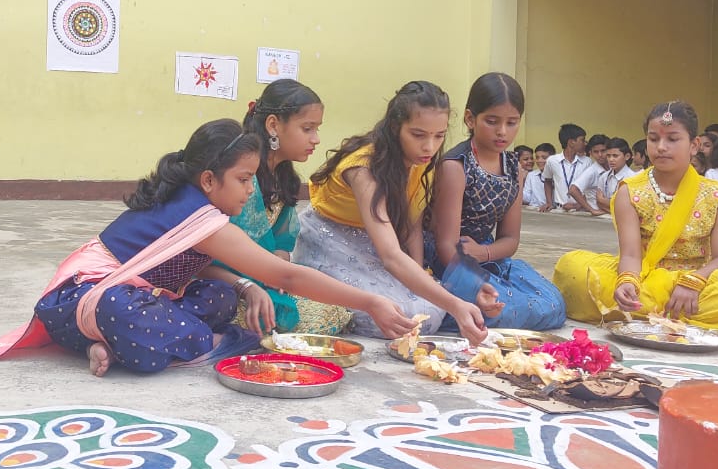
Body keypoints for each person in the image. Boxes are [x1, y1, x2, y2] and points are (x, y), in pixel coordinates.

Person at [0, 119, 414, 376]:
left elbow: (184, 268)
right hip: (78, 303)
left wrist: (246, 286)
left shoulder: (197, 205)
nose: (249, 191)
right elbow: (286, 275)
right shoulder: (201, 217)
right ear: (209, 180)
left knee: (222, 294)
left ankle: (109, 346)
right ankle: (203, 342)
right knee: (129, 315)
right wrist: (370, 301)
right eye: (243, 180)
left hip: (130, 300)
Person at [553, 101, 718, 342]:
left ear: (694, 145)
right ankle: (662, 308)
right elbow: (631, 255)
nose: (661, 147)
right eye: (653, 139)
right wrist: (627, 282)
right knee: (571, 267)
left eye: (673, 139)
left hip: (701, 280)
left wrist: (694, 281)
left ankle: (653, 310)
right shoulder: (630, 191)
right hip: (645, 277)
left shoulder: (716, 195)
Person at [292, 81, 493, 345]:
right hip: (329, 241)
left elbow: (411, 226)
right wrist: (455, 304)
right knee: (405, 315)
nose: (429, 147)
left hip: (374, 241)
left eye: (439, 136)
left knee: (427, 310)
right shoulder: (363, 168)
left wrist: (419, 276)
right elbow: (390, 255)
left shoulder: (421, 162)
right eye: (418, 135)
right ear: (396, 127)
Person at [200, 80, 352, 335]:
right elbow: (202, 260)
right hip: (220, 284)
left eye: (317, 129)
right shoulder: (238, 178)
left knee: (332, 310)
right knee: (261, 317)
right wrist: (248, 285)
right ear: (273, 125)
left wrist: (276, 270)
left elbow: (281, 244)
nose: (316, 139)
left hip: (263, 280)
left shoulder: (283, 178)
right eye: (307, 129)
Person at [424, 73, 566, 330]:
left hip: (487, 257)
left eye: (512, 123)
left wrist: (484, 253)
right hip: (449, 264)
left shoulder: (514, 169)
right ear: (470, 118)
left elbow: (510, 239)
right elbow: (446, 245)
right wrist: (475, 282)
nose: (502, 131)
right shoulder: (456, 167)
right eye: (492, 121)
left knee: (553, 304)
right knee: (499, 308)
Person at [539, 124, 587, 212]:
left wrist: (579, 205)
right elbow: (547, 181)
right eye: (582, 140)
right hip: (559, 209)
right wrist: (549, 202)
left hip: (581, 210)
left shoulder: (587, 162)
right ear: (571, 142)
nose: (585, 143)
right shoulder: (552, 161)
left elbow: (591, 188)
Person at [565, 134, 609, 213]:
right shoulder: (592, 171)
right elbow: (573, 190)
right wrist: (591, 210)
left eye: (603, 151)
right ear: (590, 153)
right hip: (598, 215)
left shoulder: (613, 169)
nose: (600, 155)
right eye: (596, 152)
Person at [591, 137, 636, 214]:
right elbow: (599, 202)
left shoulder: (633, 178)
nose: (611, 159)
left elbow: (628, 207)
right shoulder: (604, 177)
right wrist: (613, 206)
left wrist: (605, 201)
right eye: (608, 156)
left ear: (627, 156)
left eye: (615, 156)